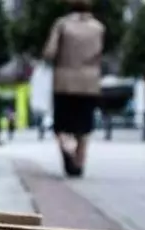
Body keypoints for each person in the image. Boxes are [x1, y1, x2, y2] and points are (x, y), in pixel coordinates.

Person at [42, 0, 105, 177]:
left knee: (61, 125)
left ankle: (68, 147)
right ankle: (80, 159)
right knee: (84, 126)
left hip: (65, 82)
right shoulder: (98, 28)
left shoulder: (62, 25)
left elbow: (50, 52)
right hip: (89, 83)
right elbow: (99, 52)